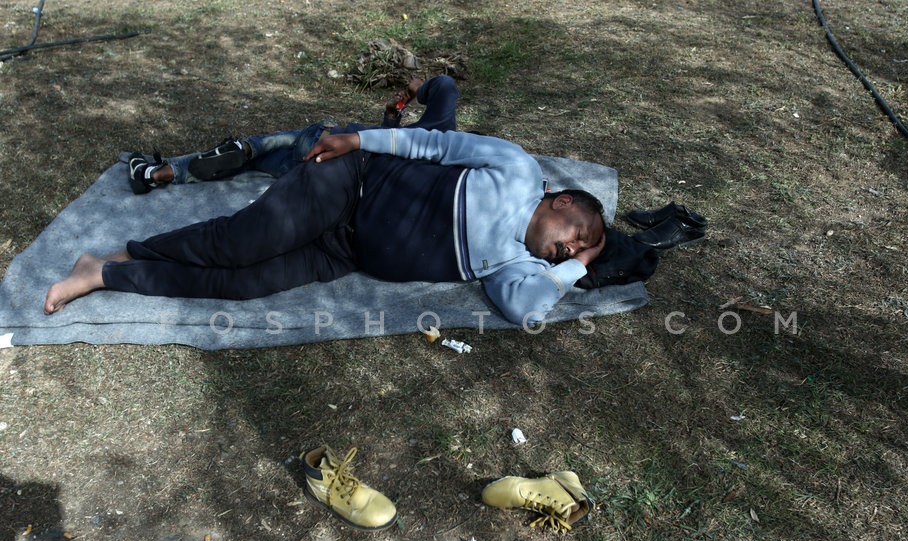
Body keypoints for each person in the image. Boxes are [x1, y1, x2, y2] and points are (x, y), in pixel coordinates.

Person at [45, 127, 607, 326]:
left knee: (240, 284)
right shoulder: (517, 170)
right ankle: (126, 252)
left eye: (576, 251)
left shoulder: (523, 266)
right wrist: (359, 140)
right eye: (577, 235)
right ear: (559, 202)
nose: (569, 250)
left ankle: (102, 275)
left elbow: (524, 309)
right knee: (242, 244)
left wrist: (575, 270)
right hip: (350, 183)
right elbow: (435, 143)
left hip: (343, 253)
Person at [128, 75, 461, 193]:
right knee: (255, 164)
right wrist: (392, 115)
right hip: (321, 173)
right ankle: (158, 173)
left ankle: (238, 148)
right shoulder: (422, 170)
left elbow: (444, 86)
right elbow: (392, 143)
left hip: (328, 138)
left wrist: (420, 88)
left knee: (261, 146)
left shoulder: (439, 135)